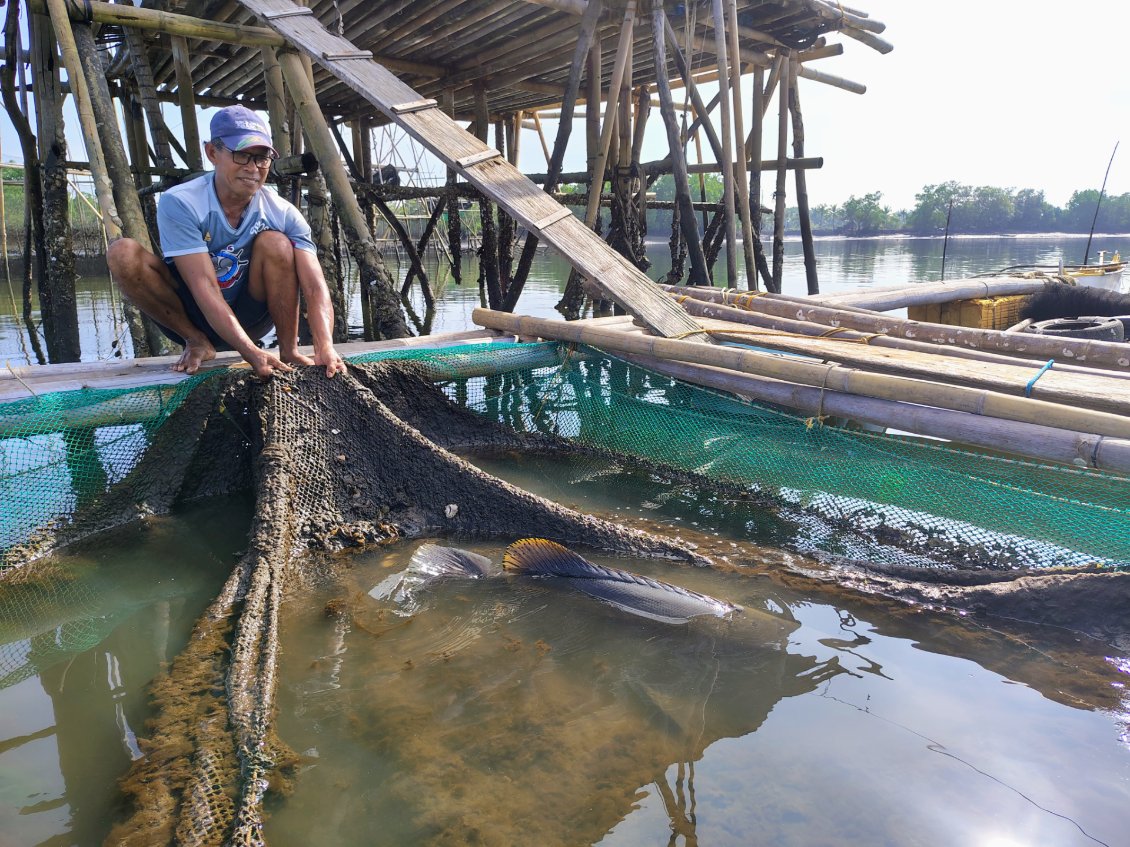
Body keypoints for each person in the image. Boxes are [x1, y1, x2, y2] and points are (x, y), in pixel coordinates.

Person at [106, 105, 346, 379]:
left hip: (250, 316)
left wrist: (325, 345)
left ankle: (288, 349)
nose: (253, 168)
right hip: (192, 315)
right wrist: (250, 352)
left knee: (277, 243)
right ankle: (196, 341)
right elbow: (204, 286)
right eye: (242, 156)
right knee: (121, 252)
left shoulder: (282, 212)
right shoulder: (181, 202)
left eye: (262, 158)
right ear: (212, 153)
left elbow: (315, 287)